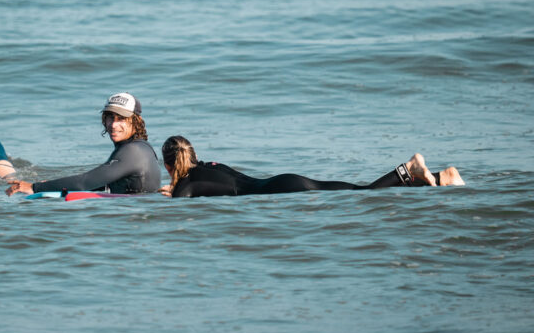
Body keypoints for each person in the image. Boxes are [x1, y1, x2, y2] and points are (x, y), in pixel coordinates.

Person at [160, 135, 465, 198]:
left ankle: (409, 168)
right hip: (285, 180)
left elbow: (181, 200)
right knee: (359, 192)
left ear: (169, 164)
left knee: (365, 196)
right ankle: (441, 176)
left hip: (282, 193)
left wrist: (168, 194)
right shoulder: (214, 164)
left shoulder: (185, 186)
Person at [5, 93, 161, 196]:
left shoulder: (132, 151)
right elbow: (102, 184)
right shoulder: (140, 148)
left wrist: (34, 188)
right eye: (110, 118)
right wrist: (54, 185)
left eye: (121, 119)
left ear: (137, 122)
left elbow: (84, 182)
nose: (113, 125)